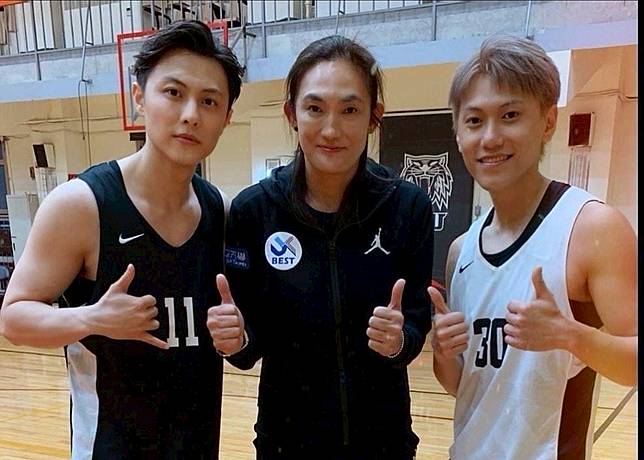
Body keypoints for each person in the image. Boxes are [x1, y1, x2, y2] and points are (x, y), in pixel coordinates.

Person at [0, 20, 243, 459]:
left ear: (226, 118)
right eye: (173, 92)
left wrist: (237, 333)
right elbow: (13, 319)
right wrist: (91, 318)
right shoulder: (81, 205)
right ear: (139, 98)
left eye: (209, 101)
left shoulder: (220, 211)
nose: (191, 114)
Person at [207, 35, 434, 459]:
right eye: (314, 108)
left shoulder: (408, 207)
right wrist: (235, 340)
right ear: (291, 114)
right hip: (285, 444)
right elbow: (248, 346)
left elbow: (416, 324)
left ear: (374, 117)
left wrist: (398, 341)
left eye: (350, 110)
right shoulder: (254, 211)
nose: (331, 129)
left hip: (383, 444)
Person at [428, 35, 637, 460]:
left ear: (547, 121)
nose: (490, 138)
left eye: (510, 115)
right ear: (458, 133)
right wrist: (444, 352)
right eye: (474, 121)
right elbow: (462, 386)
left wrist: (571, 335)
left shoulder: (592, 227)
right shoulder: (461, 251)